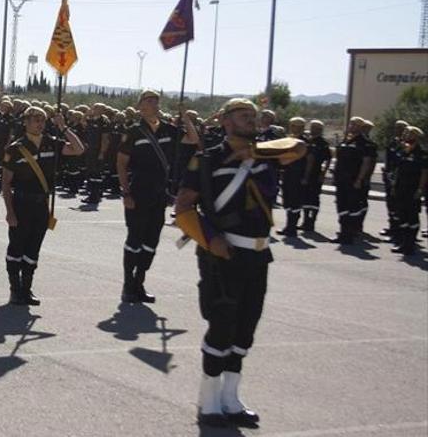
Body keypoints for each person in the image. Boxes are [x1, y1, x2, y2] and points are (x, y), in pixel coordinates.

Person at [174, 98, 305, 428]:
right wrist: (210, 240)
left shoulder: (267, 152)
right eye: (243, 115)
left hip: (258, 254)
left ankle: (231, 398)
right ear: (226, 121)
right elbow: (184, 207)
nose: (251, 120)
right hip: (224, 254)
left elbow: (299, 147)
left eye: (253, 116)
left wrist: (255, 153)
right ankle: (209, 400)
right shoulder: (207, 159)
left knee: (246, 327)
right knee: (222, 325)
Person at [116, 89, 196, 303]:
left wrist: (185, 116)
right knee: (134, 239)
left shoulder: (170, 129)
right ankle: (128, 285)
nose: (155, 104)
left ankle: (139, 282)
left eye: (156, 101)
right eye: (150, 100)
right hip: (138, 191)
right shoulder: (133, 131)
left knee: (151, 241)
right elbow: (121, 164)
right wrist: (125, 192)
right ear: (141, 106)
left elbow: (193, 139)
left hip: (159, 194)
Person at [1, 105, 84, 305]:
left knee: (33, 249)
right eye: (35, 119)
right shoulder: (15, 148)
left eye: (42, 120)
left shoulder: (51, 143)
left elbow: (78, 150)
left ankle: (27, 289)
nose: (39, 123)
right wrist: (9, 212)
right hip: (21, 203)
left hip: (41, 205)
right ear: (26, 122)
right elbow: (5, 183)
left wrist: (63, 127)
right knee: (16, 248)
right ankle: (15, 289)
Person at [390, 126, 427, 255]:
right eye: (405, 133)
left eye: (408, 133)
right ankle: (403, 242)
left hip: (412, 189)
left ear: (415, 136)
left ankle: (410, 244)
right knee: (402, 215)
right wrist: (394, 186)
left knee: (412, 216)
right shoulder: (403, 150)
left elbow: (424, 172)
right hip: (401, 187)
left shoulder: (421, 152)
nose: (405, 135)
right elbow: (398, 170)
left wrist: (420, 189)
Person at [277, 117, 308, 236]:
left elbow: (310, 161)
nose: (293, 128)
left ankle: (292, 227)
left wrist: (305, 176)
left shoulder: (303, 141)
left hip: (298, 174)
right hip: (288, 173)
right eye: (292, 125)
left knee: (295, 201)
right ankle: (289, 226)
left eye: (295, 126)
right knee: (288, 200)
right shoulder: (289, 139)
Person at [301, 120, 332, 232]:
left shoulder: (323, 144)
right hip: (305, 173)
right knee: (305, 197)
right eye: (312, 127)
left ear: (320, 129)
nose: (313, 129)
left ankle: (312, 222)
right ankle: (305, 220)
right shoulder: (307, 141)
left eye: (316, 127)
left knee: (314, 198)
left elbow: (327, 160)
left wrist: (323, 173)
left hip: (316, 174)